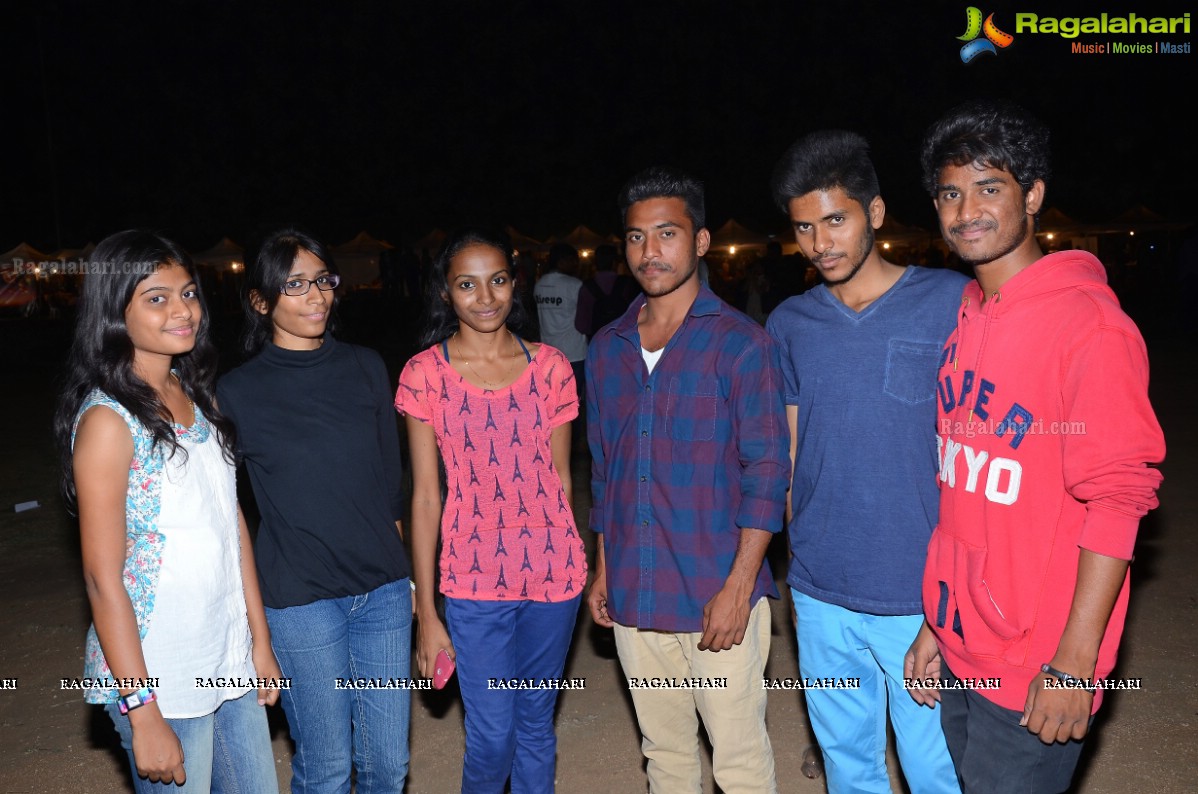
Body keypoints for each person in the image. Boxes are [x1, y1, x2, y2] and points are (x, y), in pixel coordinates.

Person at [905, 100, 1166, 794]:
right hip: (965, 643)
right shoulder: (968, 317)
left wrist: (1074, 666)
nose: (967, 212)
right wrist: (939, 621)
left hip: (1036, 663)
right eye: (951, 193)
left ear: (1035, 196)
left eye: (989, 188)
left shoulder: (1091, 327)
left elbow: (1118, 500)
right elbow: (962, 487)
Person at [765, 131, 966, 794]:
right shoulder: (789, 324)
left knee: (935, 767)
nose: (821, 243)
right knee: (848, 764)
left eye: (835, 220)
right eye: (804, 228)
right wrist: (795, 574)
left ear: (874, 214)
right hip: (822, 589)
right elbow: (792, 453)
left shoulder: (950, 302)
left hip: (919, 589)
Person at [586, 166, 789, 793]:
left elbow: (768, 472)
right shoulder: (606, 348)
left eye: (667, 234)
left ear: (700, 241)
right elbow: (604, 471)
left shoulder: (741, 345)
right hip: (635, 592)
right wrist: (603, 568)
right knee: (665, 755)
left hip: (714, 596)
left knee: (738, 759)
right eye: (636, 237)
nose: (651, 251)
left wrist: (737, 587)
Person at [54, 230, 279, 792]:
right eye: (157, 298)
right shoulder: (108, 422)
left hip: (224, 654)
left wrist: (259, 643)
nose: (184, 311)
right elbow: (103, 582)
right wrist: (143, 711)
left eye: (188, 293)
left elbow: (230, 529)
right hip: (161, 671)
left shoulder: (197, 393)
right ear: (114, 310)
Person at [216, 229, 413, 793]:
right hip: (301, 602)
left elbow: (386, 483)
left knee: (387, 766)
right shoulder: (235, 392)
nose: (317, 297)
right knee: (326, 768)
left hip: (382, 594)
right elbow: (221, 504)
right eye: (295, 285)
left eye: (323, 281)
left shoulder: (366, 366)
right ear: (260, 301)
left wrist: (408, 583)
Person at [396, 227, 585, 793]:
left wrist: (575, 557)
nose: (485, 297)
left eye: (498, 280)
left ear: (514, 284)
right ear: (446, 293)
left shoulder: (552, 367)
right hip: (472, 580)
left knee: (534, 726)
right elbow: (426, 495)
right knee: (491, 734)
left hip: (554, 578)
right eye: (467, 284)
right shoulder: (423, 374)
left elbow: (562, 479)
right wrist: (427, 614)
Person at [534, 242, 588, 402]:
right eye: (573, 260)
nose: (576, 265)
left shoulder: (539, 285)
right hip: (574, 353)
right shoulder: (575, 285)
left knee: (554, 401)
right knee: (573, 402)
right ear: (563, 260)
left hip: (549, 352)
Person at [574, 243, 639, 340]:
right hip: (624, 340)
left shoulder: (587, 287)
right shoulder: (627, 283)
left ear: (595, 263)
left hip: (597, 342)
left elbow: (581, 326)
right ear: (615, 263)